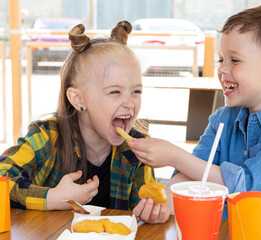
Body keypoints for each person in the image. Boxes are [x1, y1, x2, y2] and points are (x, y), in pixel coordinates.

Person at [128, 4, 261, 228]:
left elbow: (249, 187)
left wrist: (175, 156)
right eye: (221, 60)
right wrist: (166, 205)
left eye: (235, 60)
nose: (221, 69)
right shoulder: (222, 119)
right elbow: (192, 173)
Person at [0, 21, 169, 224]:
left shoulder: (138, 150)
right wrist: (53, 197)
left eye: (136, 91)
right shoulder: (46, 136)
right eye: (115, 91)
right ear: (77, 99)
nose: (130, 103)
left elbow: (144, 208)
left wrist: (152, 212)